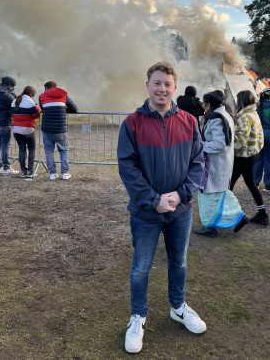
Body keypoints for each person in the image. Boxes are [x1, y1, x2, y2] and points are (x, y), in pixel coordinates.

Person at [117, 61, 206, 354]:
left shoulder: (190, 122)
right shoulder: (132, 123)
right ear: (147, 86)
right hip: (145, 213)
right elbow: (128, 168)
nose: (162, 89)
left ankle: (178, 306)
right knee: (141, 267)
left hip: (180, 212)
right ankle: (138, 316)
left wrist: (180, 196)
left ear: (175, 88)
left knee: (178, 262)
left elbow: (198, 164)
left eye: (167, 84)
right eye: (157, 83)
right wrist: (155, 200)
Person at [194, 92, 248, 238]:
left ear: (208, 105)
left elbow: (219, 144)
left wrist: (199, 146)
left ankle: (210, 227)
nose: (203, 107)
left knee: (210, 196)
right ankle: (240, 217)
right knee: (219, 194)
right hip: (219, 162)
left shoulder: (218, 119)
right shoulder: (223, 116)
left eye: (203, 104)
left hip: (216, 163)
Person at [230, 90, 268, 224]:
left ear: (241, 101)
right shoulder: (253, 114)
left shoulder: (245, 117)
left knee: (228, 186)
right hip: (252, 155)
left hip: (242, 157)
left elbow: (240, 142)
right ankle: (262, 214)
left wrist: (227, 139)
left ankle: (231, 216)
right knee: (251, 185)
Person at [39, 81, 78, 180]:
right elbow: (74, 109)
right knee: (63, 150)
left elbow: (42, 109)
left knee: (49, 151)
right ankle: (65, 173)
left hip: (47, 128)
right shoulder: (63, 95)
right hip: (60, 129)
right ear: (56, 87)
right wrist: (64, 110)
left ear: (46, 88)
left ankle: (52, 174)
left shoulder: (41, 97)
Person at [12, 86, 41, 178]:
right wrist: (37, 108)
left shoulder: (14, 101)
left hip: (16, 129)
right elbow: (35, 115)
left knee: (21, 149)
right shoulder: (30, 102)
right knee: (31, 149)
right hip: (27, 129)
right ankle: (30, 171)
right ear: (32, 94)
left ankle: (22, 171)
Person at [0, 76, 19, 175]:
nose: (13, 88)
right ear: (5, 85)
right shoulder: (7, 96)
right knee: (5, 146)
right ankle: (6, 168)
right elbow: (17, 106)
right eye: (12, 86)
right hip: (5, 124)